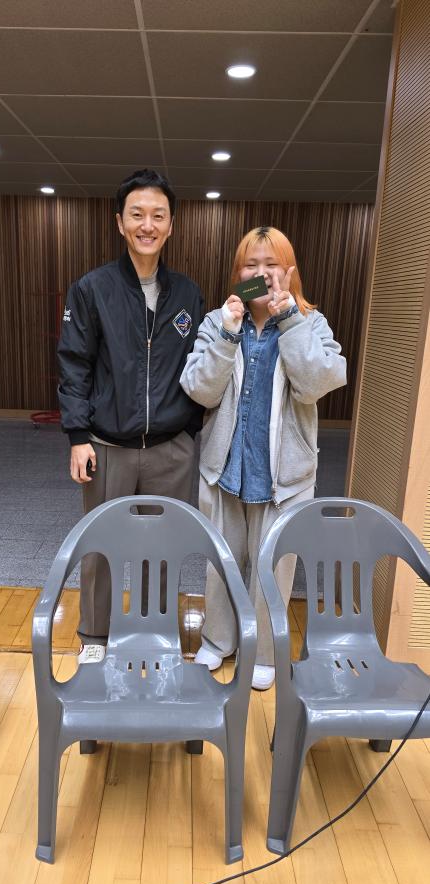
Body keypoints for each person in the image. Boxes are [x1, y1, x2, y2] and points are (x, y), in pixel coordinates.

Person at [180, 226, 346, 689]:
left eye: (272, 265)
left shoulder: (310, 322)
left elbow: (317, 383)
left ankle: (266, 652)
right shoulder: (217, 321)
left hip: (283, 476)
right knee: (222, 562)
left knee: (274, 567)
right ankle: (217, 640)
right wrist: (227, 334)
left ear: (289, 271)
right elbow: (199, 389)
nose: (262, 273)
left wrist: (289, 319)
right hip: (225, 468)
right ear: (239, 274)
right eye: (251, 265)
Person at [57, 168, 204, 663]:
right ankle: (95, 639)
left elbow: (200, 364)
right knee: (100, 547)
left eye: (158, 216)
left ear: (171, 225)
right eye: (137, 214)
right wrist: (78, 435)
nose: (148, 225)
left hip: (171, 449)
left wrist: (188, 429)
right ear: (120, 222)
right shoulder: (92, 289)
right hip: (107, 447)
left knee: (161, 549)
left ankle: (152, 633)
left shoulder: (187, 293)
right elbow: (74, 363)